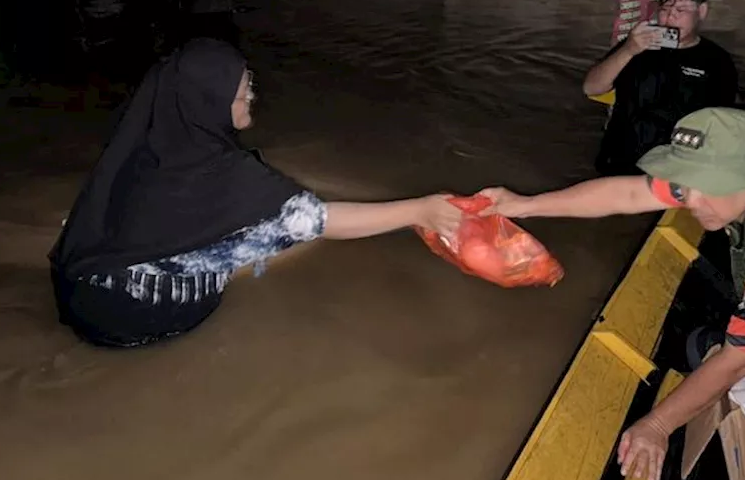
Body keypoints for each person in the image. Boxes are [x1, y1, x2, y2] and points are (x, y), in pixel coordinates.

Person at [477, 107, 745, 480]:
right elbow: (629, 193)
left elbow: (739, 357)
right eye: (685, 186)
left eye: (707, 186)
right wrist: (523, 205)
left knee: (709, 352)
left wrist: (658, 424)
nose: (691, 201)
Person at [50, 37, 462, 347]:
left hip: (77, 287)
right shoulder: (227, 171)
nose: (251, 94)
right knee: (278, 238)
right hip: (139, 311)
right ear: (209, 101)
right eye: (242, 90)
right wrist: (419, 211)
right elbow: (317, 220)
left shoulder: (143, 141)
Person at [585, 0, 738, 176]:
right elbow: (591, 87)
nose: (671, 17)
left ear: (702, 11)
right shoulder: (636, 46)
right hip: (620, 163)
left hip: (675, 169)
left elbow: (722, 123)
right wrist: (628, 50)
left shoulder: (717, 61)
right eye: (666, 8)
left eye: (681, 10)